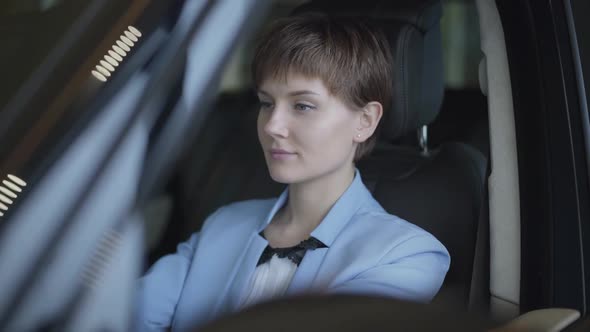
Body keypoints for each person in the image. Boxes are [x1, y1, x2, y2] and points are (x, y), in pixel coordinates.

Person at [136, 13, 450, 332]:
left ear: (365, 121)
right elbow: (122, 317)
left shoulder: (406, 254)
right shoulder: (222, 225)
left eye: (302, 106)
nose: (272, 125)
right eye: (266, 102)